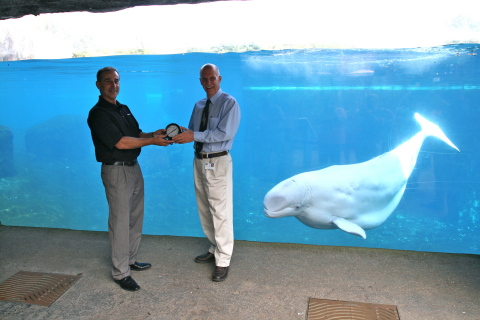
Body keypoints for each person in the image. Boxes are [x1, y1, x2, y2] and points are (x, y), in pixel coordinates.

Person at [87, 66, 171, 291]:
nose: (113, 85)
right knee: (120, 222)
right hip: (116, 171)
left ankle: (130, 260)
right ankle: (120, 273)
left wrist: (154, 134)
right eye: (108, 81)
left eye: (116, 81)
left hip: (134, 168)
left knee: (135, 216)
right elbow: (121, 142)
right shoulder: (98, 113)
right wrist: (152, 142)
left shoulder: (122, 108)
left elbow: (135, 134)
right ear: (98, 85)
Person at [172, 63, 241, 282]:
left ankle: (223, 259)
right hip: (200, 160)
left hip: (218, 160)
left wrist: (194, 136)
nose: (209, 82)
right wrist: (178, 133)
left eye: (212, 78)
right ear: (200, 81)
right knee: (205, 208)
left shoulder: (229, 103)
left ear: (219, 78)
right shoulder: (199, 105)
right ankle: (215, 246)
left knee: (220, 211)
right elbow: (195, 131)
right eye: (205, 79)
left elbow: (224, 133)